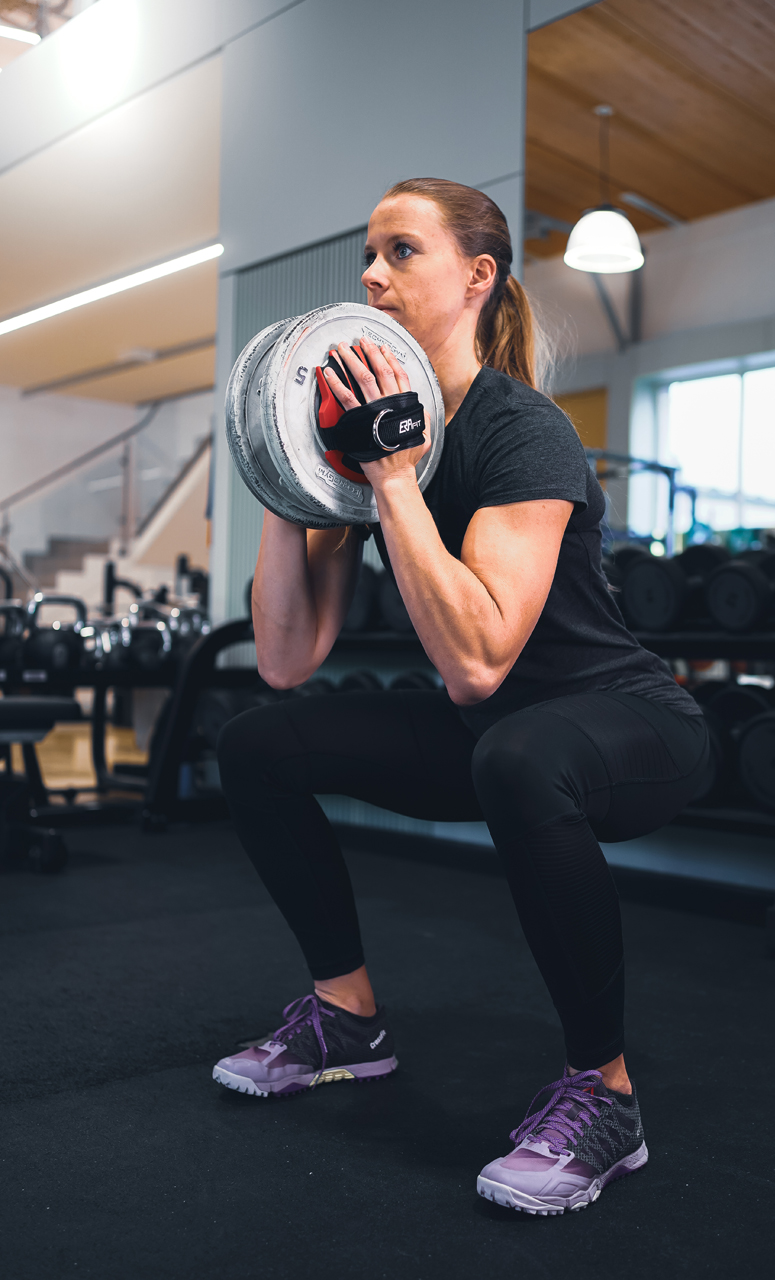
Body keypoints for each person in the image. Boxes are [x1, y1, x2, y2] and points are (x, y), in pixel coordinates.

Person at [214, 178, 708, 1216]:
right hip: (492, 729)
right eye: (368, 254)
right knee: (261, 740)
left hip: (626, 721)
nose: (371, 275)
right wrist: (283, 464)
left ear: (478, 276)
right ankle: (347, 1019)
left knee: (519, 754)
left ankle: (605, 1093)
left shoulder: (520, 429)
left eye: (401, 251)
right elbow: (287, 656)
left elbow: (478, 662)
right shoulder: (367, 440)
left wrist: (394, 481)